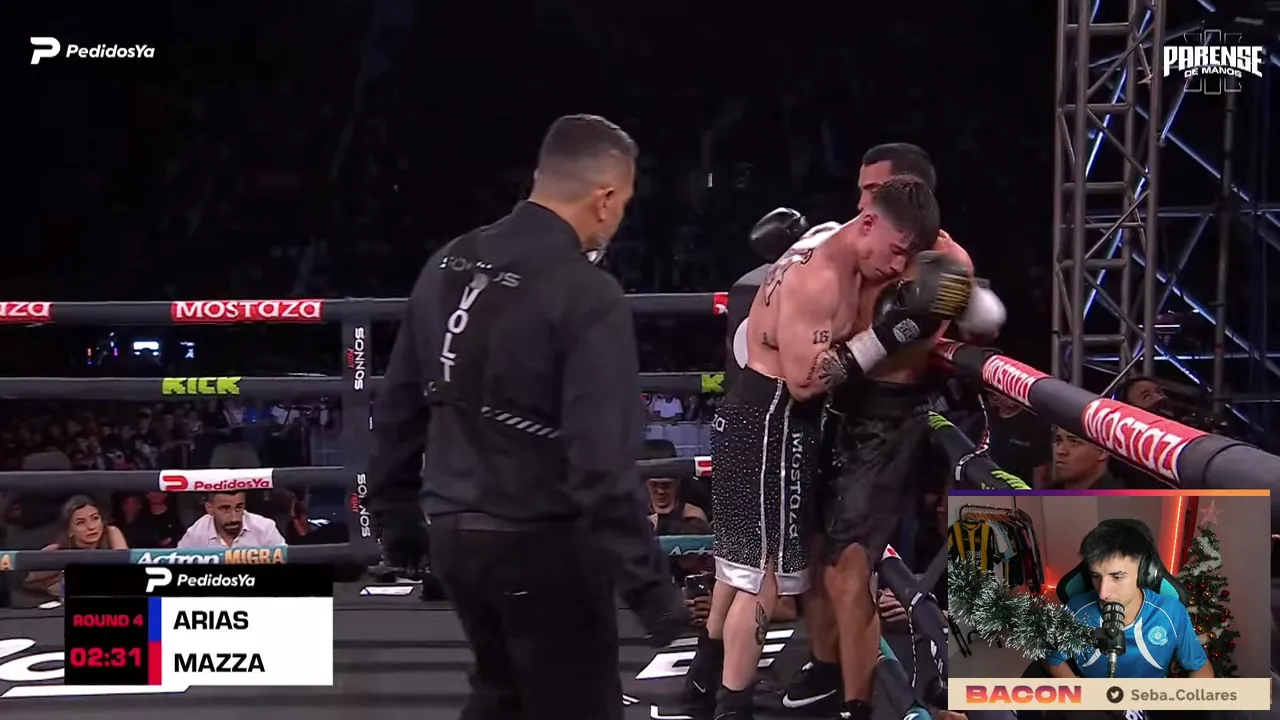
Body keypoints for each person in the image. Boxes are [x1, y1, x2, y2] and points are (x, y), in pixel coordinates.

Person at [367, 113, 688, 720]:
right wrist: (655, 595)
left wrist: (397, 518)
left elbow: (399, 405)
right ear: (605, 199)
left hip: (455, 536)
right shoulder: (587, 292)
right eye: (623, 206)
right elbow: (600, 463)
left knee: (503, 696)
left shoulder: (449, 260)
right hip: (541, 542)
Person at [690, 174, 971, 720]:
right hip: (774, 419)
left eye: (907, 255)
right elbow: (804, 381)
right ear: (867, 223)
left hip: (751, 412)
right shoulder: (821, 280)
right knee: (764, 578)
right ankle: (732, 707)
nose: (897, 266)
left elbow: (944, 261)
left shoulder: (827, 237)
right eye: (894, 251)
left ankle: (704, 676)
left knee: (741, 568)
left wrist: (952, 282)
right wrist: (889, 335)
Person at [784, 143, 1003, 719]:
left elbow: (946, 329)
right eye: (861, 190)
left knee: (851, 564)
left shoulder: (946, 262)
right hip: (830, 404)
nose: (860, 202)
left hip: (887, 418)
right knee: (814, 552)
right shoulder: (860, 240)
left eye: (871, 190)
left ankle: (858, 706)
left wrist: (863, 352)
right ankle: (826, 665)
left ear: (909, 191)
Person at [1044, 519, 1212, 679]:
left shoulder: (1171, 612)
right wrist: (1082, 692)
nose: (1103, 593)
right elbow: (1052, 660)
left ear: (1145, 574)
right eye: (1096, 576)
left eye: (1117, 577)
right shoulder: (1076, 609)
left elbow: (1201, 668)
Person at [23, 495, 128, 597]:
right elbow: (30, 582)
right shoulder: (57, 552)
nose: (91, 527)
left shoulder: (111, 533)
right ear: (69, 530)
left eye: (95, 518)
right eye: (80, 523)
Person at [177, 491, 287, 549]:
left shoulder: (265, 529)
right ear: (209, 508)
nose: (234, 518)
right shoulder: (196, 534)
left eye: (239, 507)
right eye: (225, 509)